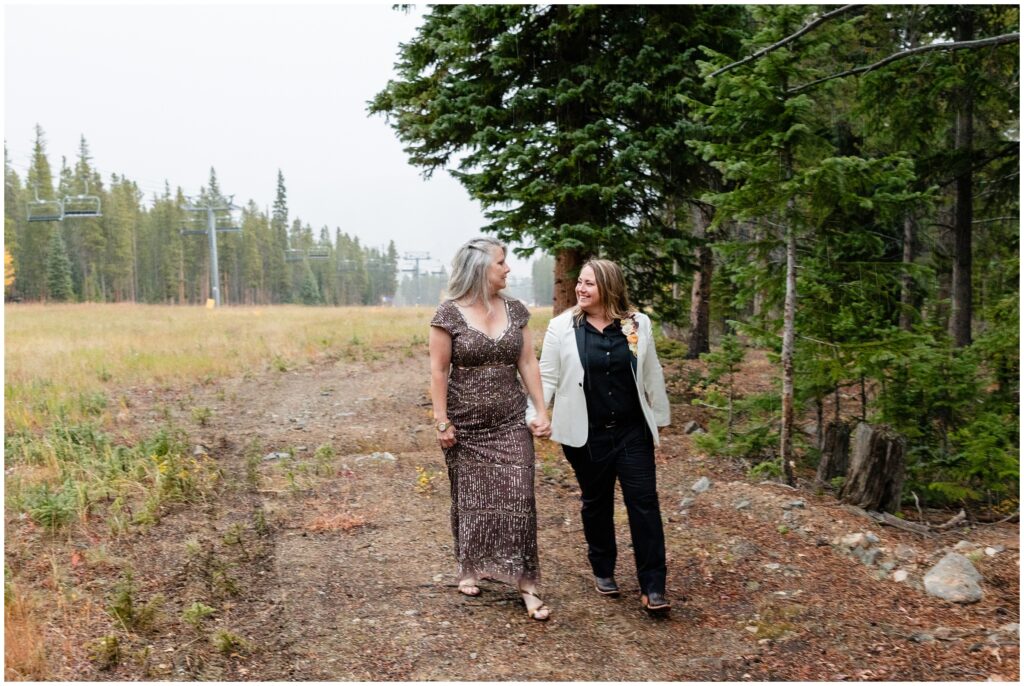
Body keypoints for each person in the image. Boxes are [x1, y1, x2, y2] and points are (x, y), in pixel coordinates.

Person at [529, 258, 672, 613]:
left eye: (589, 283)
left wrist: (660, 418)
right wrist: (537, 414)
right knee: (596, 502)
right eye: (579, 282)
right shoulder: (562, 327)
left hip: (631, 431)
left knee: (644, 503)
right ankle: (603, 568)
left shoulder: (639, 324)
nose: (580, 288)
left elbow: (651, 371)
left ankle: (653, 587)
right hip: (586, 434)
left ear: (609, 286)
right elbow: (546, 376)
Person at [429, 237, 553, 621]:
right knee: (472, 500)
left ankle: (527, 584)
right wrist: (442, 421)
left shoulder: (516, 310)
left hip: (510, 421)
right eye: (502, 262)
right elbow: (438, 371)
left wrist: (541, 409)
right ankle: (469, 567)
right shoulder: (448, 315)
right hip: (465, 427)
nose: (508, 268)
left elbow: (528, 362)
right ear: (481, 268)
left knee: (520, 498)